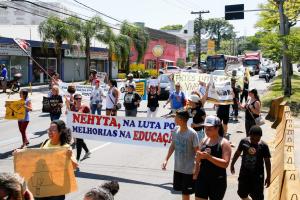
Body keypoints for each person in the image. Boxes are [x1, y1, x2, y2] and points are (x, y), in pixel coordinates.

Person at [162, 110, 199, 200]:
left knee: (186, 193)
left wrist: (196, 169)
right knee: (183, 192)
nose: (174, 118)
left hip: (189, 170)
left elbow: (198, 153)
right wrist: (166, 159)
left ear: (181, 119)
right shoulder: (175, 130)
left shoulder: (192, 134)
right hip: (178, 168)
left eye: (176, 117)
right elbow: (173, 145)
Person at [36, 120, 77, 200]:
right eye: (49, 130)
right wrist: (21, 153)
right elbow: (37, 156)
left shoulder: (65, 147)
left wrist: (69, 157)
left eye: (53, 130)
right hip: (42, 185)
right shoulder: (45, 142)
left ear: (60, 132)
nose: (50, 132)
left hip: (57, 189)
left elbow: (74, 166)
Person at [194, 115, 232, 200]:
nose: (206, 131)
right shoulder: (204, 140)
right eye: (205, 128)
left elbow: (225, 164)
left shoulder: (224, 143)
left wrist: (209, 157)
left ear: (217, 128)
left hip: (217, 181)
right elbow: (197, 160)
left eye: (209, 128)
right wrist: (195, 173)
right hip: (202, 179)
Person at [230, 125, 271, 200]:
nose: (255, 140)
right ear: (249, 135)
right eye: (253, 138)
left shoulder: (264, 146)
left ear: (261, 137)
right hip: (244, 173)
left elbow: (267, 162)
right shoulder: (244, 142)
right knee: (241, 193)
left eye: (258, 139)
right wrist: (232, 164)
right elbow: (237, 153)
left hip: (258, 176)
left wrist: (268, 176)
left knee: (257, 197)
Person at [71, 94, 91, 162]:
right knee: (80, 141)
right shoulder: (73, 107)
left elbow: (90, 115)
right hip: (76, 127)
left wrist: (86, 120)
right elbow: (71, 115)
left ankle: (77, 158)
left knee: (79, 141)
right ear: (75, 100)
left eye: (80, 99)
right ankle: (87, 151)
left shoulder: (85, 106)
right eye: (77, 99)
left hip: (82, 127)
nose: (79, 100)